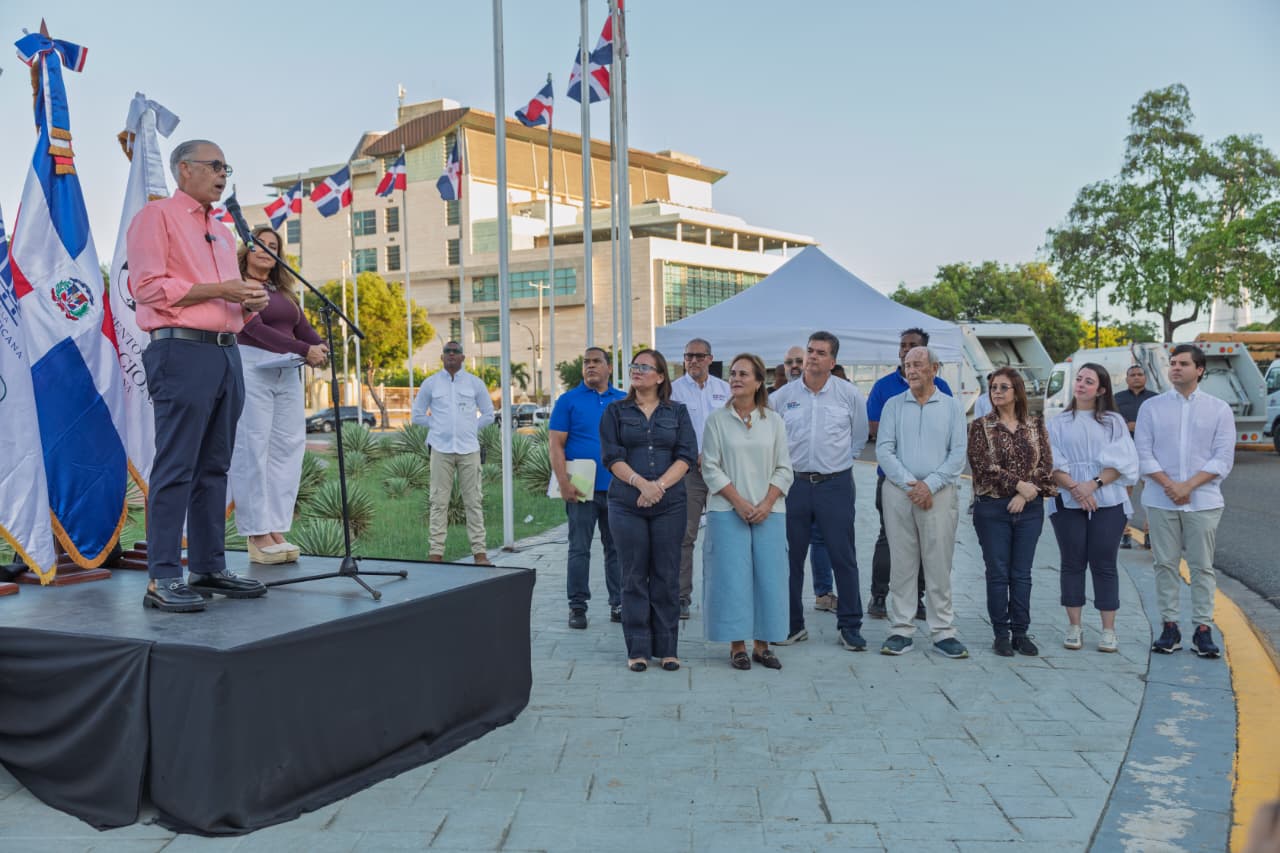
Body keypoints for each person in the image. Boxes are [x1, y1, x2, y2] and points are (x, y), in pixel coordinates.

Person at [127, 139, 270, 612]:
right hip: (181, 352)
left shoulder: (224, 232)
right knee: (177, 465)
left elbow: (221, 304)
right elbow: (145, 287)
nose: (222, 174)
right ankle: (163, 576)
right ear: (183, 169)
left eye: (226, 167)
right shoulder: (157, 217)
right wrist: (219, 288)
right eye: (214, 165)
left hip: (227, 353)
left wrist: (246, 304)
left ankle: (208, 566)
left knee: (215, 466)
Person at [227, 225, 327, 565]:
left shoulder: (283, 292)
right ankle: (257, 531)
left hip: (286, 369)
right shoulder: (240, 286)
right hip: (252, 365)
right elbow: (252, 327)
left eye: (273, 246)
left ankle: (276, 526)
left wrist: (318, 346)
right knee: (253, 446)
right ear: (247, 250)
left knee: (288, 446)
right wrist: (304, 348)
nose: (266, 250)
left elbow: (303, 327)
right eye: (260, 244)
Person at [770, 331, 869, 651]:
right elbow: (771, 439)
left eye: (820, 353)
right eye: (810, 351)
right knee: (791, 558)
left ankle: (850, 626)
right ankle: (792, 624)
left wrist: (836, 464)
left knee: (844, 556)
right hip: (794, 485)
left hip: (835, 485)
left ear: (833, 361)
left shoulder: (848, 395)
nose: (811, 357)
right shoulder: (782, 397)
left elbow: (858, 438)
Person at [1136, 344, 1236, 658]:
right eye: (1173, 363)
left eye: (1183, 364)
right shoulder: (1152, 408)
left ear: (1199, 369)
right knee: (1164, 564)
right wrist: (1171, 486)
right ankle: (1170, 627)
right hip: (1161, 499)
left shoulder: (1218, 409)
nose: (1175, 368)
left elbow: (1223, 458)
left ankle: (1203, 629)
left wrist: (1188, 486)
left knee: (1202, 567)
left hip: (1204, 501)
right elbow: (1143, 453)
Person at [601, 349, 698, 671]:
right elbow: (612, 457)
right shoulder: (616, 411)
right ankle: (638, 649)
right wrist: (642, 484)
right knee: (632, 575)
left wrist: (658, 488)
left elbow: (686, 456)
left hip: (669, 505)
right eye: (634, 366)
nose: (637, 370)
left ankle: (667, 648)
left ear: (660, 376)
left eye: (645, 367)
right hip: (626, 504)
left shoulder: (678, 412)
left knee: (666, 575)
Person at [701, 354, 793, 670]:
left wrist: (766, 504)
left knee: (770, 577)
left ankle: (763, 645)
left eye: (743, 374)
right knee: (731, 577)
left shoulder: (774, 421)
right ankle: (737, 644)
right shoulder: (716, 420)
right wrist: (739, 502)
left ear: (758, 381)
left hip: (770, 511)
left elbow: (785, 468)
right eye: (733, 374)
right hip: (728, 509)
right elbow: (710, 467)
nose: (736, 379)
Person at [876, 346, 969, 659]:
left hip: (939, 495)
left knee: (938, 563)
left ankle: (943, 632)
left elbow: (957, 455)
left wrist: (929, 485)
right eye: (906, 365)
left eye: (917, 364)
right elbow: (884, 449)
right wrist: (910, 484)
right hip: (899, 494)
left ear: (935, 368)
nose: (911, 370)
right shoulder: (893, 405)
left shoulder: (952, 407)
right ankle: (901, 630)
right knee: (902, 563)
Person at [1046, 363, 1138, 653]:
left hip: (1107, 498)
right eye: (1079, 379)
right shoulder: (1058, 422)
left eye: (1089, 381)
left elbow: (1123, 462)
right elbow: (1050, 463)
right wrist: (1075, 487)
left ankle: (1108, 630)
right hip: (1067, 497)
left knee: (1104, 562)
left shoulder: (1113, 421)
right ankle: (1074, 626)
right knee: (1072, 561)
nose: (1081, 385)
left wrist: (1092, 485)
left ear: (1100, 390)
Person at [966, 367, 1056, 657]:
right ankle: (1001, 634)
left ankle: (1021, 632)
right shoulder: (981, 426)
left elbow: (1045, 465)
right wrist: (1018, 485)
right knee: (998, 573)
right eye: (994, 387)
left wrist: (1025, 492)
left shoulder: (1035, 424)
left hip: (1029, 509)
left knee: (1022, 574)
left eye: (1004, 387)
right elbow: (982, 467)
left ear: (1017, 391)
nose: (997, 392)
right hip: (993, 509)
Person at [866, 328, 953, 620]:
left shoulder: (944, 390)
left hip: (933, 488)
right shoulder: (884, 388)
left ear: (929, 357)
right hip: (893, 482)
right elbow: (876, 431)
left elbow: (949, 442)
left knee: (928, 541)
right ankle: (879, 596)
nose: (905, 352)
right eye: (902, 347)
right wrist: (908, 479)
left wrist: (927, 483)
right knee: (889, 539)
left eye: (913, 348)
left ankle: (916, 599)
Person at [548, 347, 626, 628]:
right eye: (586, 362)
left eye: (596, 362)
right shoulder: (568, 401)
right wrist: (563, 482)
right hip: (580, 487)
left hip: (617, 488)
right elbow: (556, 444)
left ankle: (619, 603)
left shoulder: (623, 400)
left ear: (608, 368)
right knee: (579, 549)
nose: (590, 366)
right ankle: (577, 607)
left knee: (616, 548)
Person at [411, 341, 495, 565]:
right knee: (438, 501)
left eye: (455, 352)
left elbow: (488, 414)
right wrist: (436, 425)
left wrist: (470, 427)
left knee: (474, 501)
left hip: (469, 450)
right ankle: (436, 553)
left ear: (463, 357)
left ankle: (480, 553)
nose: (451, 355)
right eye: (447, 352)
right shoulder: (431, 384)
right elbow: (417, 415)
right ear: (441, 357)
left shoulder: (474, 383)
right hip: (441, 449)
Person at [670, 337, 730, 620]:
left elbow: (733, 428)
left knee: (724, 534)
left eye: (698, 356)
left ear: (709, 358)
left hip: (722, 471)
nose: (692, 361)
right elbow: (670, 430)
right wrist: (691, 454)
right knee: (686, 534)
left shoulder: (725, 390)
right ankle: (682, 596)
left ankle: (723, 594)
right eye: (687, 356)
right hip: (689, 471)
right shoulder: (673, 390)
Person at [1113, 364, 1159, 549]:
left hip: (1149, 451)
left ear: (1145, 378)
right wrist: (1126, 426)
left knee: (1152, 492)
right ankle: (1124, 533)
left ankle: (1149, 533)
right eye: (1132, 375)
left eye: (1140, 374)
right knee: (1124, 493)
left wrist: (1141, 426)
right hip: (1125, 452)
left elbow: (1163, 423)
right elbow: (1110, 420)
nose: (1136, 377)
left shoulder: (1156, 399)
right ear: (1127, 379)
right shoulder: (1117, 399)